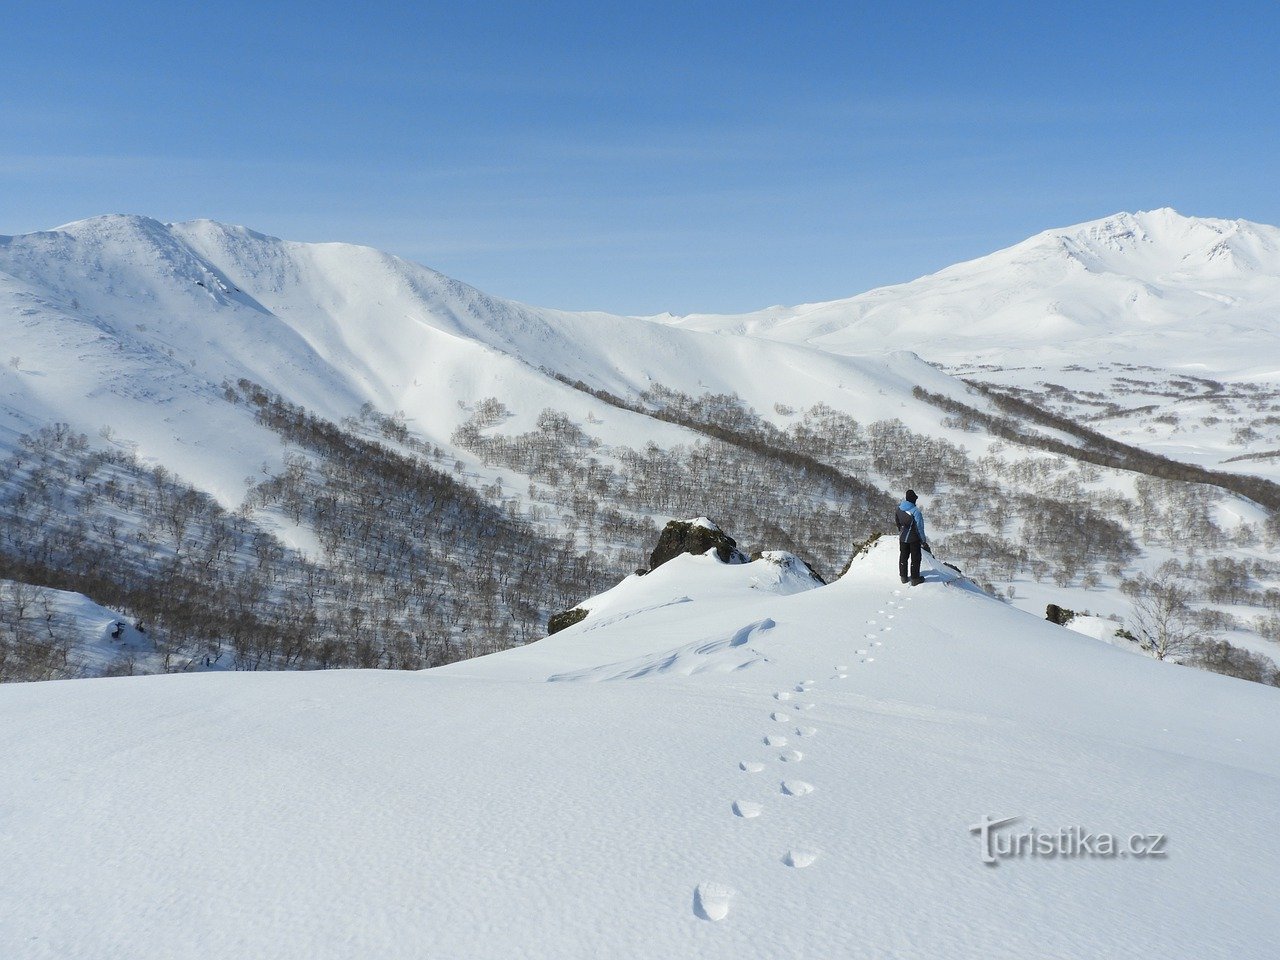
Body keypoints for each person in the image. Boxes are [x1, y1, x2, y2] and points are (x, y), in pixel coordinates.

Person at [895, 489, 930, 586]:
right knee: (915, 558)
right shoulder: (916, 512)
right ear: (913, 499)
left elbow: (897, 521)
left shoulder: (899, 508)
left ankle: (903, 577)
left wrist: (901, 530)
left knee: (903, 556)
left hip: (902, 538)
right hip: (914, 539)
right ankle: (915, 578)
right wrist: (923, 540)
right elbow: (920, 528)